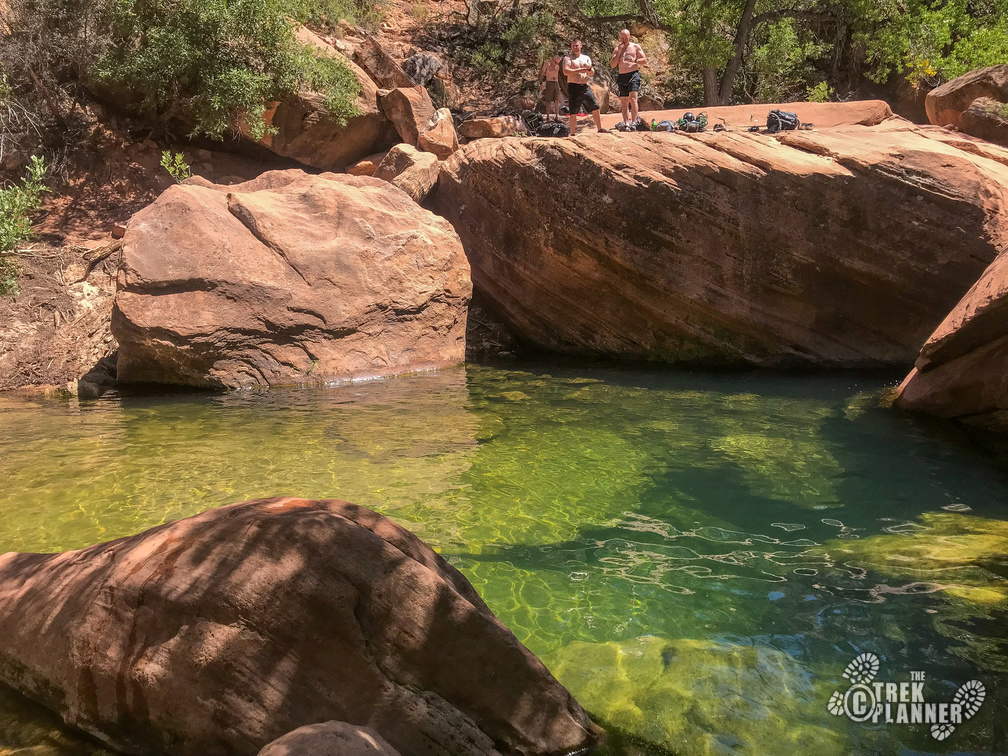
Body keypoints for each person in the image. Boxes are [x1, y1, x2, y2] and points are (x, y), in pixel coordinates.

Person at [562, 39, 608, 135]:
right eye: (573, 46)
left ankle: (600, 128)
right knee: (573, 111)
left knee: (595, 106)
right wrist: (580, 69)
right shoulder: (568, 58)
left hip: (584, 86)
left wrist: (588, 68)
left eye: (577, 45)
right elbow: (566, 71)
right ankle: (572, 132)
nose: (575, 47)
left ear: (581, 46)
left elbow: (591, 73)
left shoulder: (586, 58)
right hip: (573, 86)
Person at [609, 29, 648, 128]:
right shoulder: (617, 49)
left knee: (633, 98)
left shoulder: (635, 47)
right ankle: (626, 123)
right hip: (622, 75)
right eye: (622, 38)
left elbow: (644, 60)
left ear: (629, 37)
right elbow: (613, 65)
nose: (623, 40)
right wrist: (619, 53)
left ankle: (634, 122)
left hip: (633, 74)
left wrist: (635, 60)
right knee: (624, 101)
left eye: (625, 38)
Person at [539, 53, 564, 122]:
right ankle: (547, 117)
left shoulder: (557, 66)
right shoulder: (547, 65)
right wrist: (541, 83)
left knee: (557, 100)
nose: (556, 64)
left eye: (557, 63)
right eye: (556, 62)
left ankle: (557, 116)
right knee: (548, 101)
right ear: (553, 60)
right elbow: (541, 74)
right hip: (549, 83)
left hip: (556, 83)